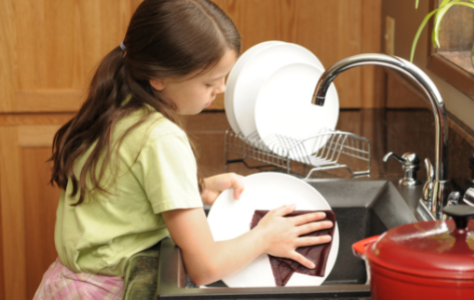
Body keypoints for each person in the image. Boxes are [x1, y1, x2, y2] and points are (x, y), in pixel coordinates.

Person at [33, 0, 333, 298]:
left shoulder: (113, 110)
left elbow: (121, 199)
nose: (222, 89)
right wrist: (265, 236)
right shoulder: (161, 137)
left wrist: (195, 189)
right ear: (158, 78)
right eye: (209, 82)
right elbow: (205, 266)